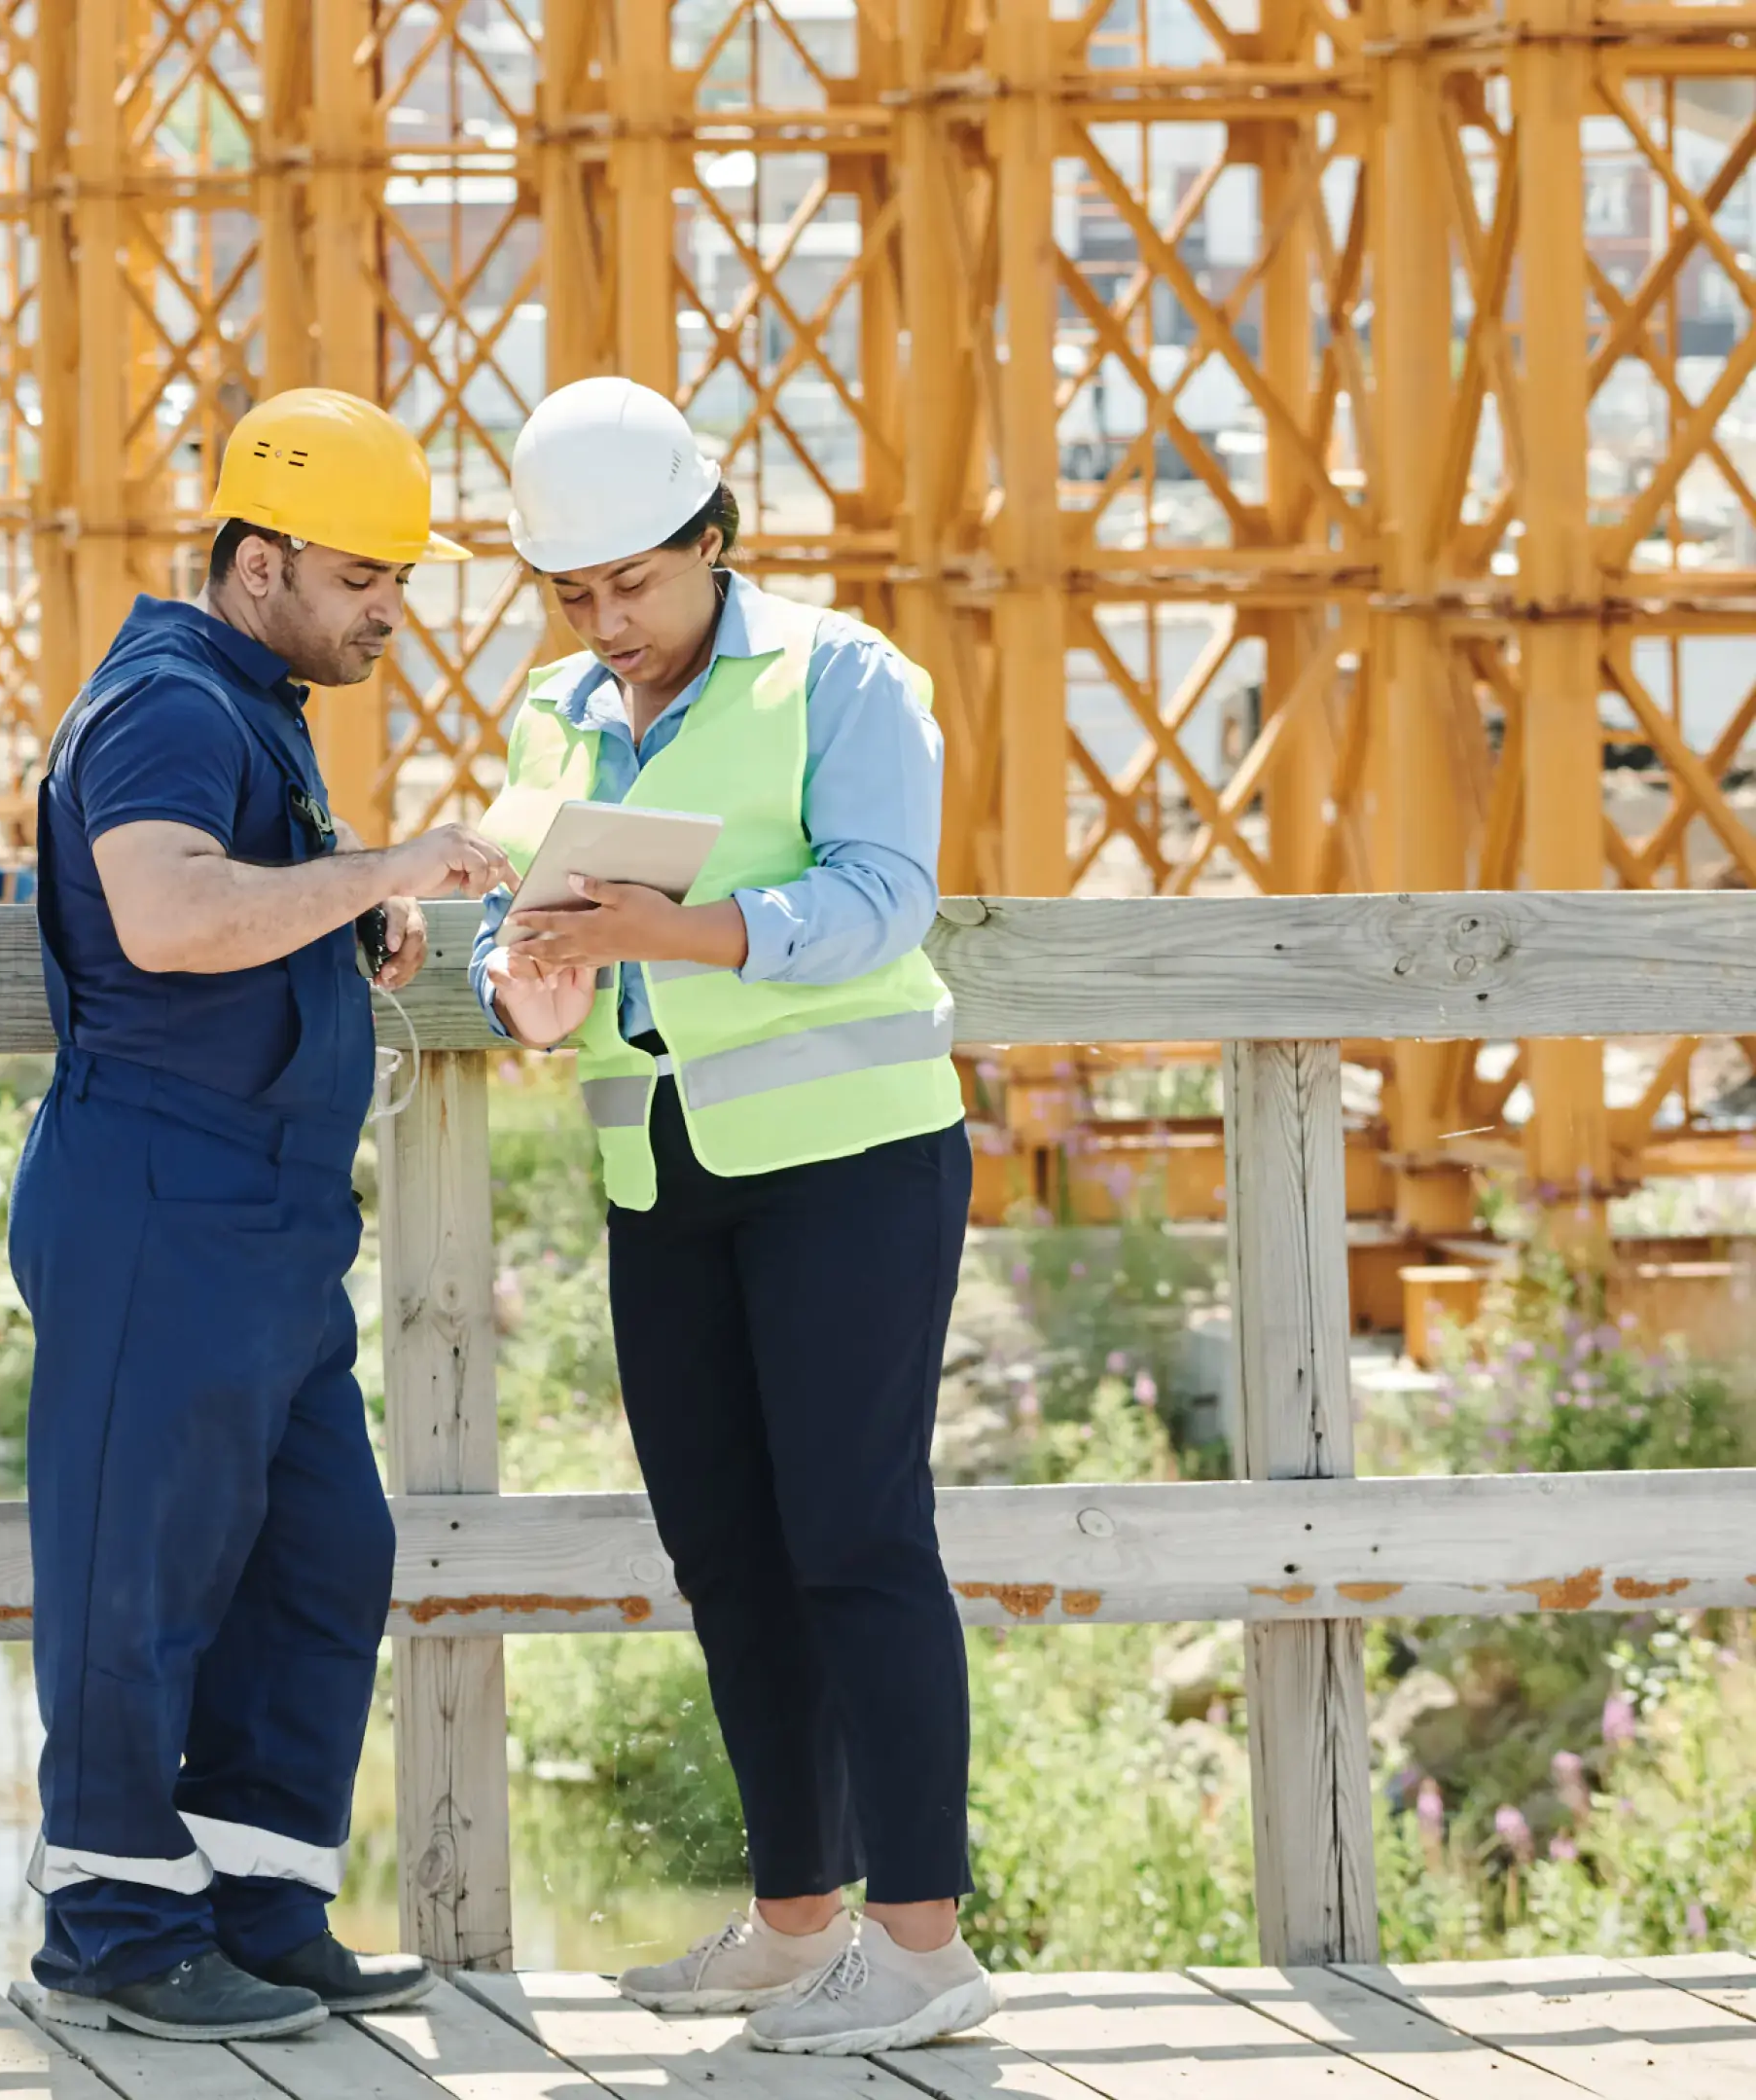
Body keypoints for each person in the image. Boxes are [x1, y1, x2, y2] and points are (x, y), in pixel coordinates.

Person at [469, 376, 997, 2056]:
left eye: (633, 583)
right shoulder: (556, 708)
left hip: (852, 1160)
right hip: (663, 1172)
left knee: (857, 1537)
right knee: (732, 1559)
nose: (605, 621)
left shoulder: (843, 675)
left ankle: (922, 1949)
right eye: (574, 593)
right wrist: (526, 980)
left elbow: (879, 900)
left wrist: (668, 927)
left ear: (713, 539)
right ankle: (795, 1925)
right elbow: (523, 934)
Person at [11, 387, 512, 2042]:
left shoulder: (251, 697)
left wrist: (336, 917)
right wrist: (380, 872)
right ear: (259, 558)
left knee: (320, 1550)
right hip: (164, 1196)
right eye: (366, 575)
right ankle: (109, 1928)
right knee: (134, 1571)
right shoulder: (168, 702)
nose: (392, 608)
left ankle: (253, 1898)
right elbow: (162, 916)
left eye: (401, 577)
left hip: (267, 1222)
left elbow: (239, 901)